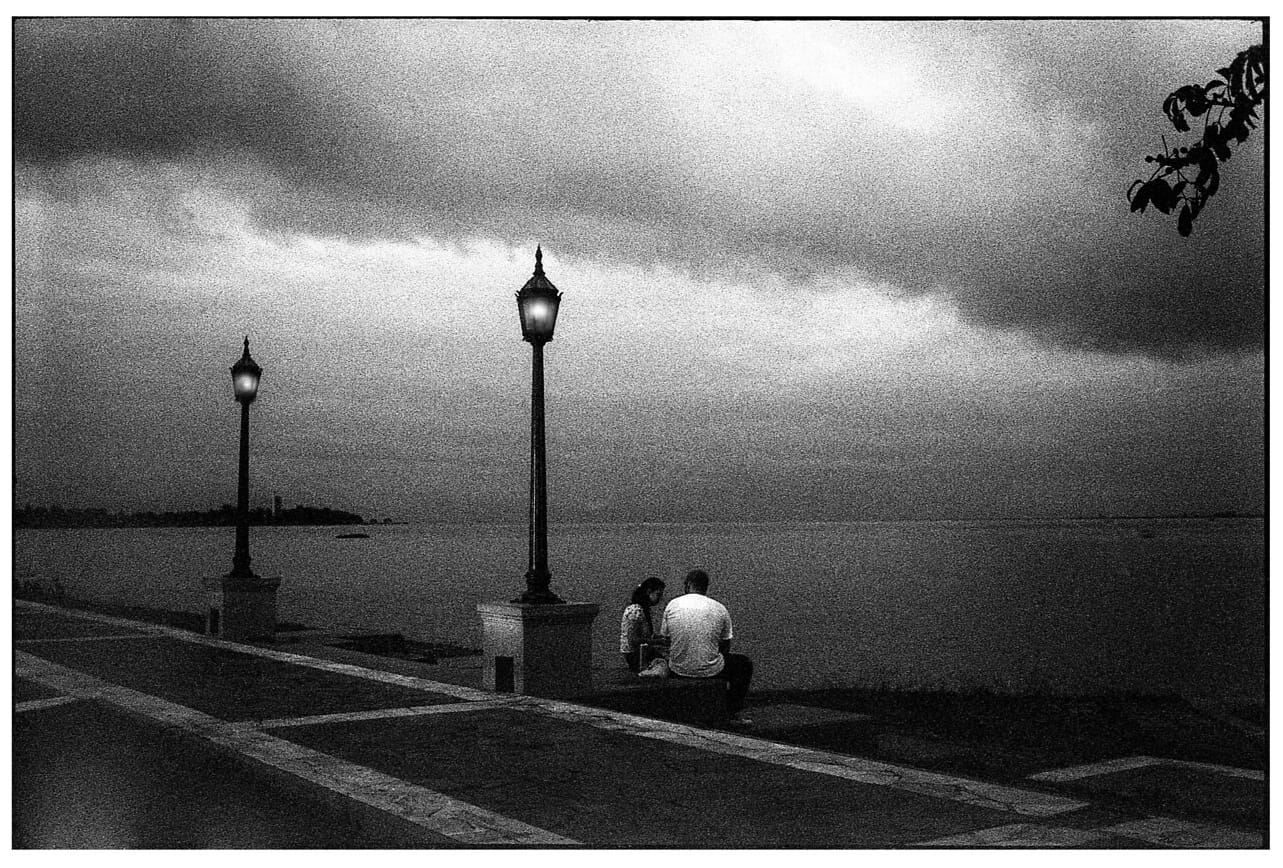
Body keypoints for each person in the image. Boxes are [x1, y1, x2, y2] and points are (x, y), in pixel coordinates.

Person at [660, 569, 753, 723]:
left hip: (678, 668)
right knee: (744, 665)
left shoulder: (672, 605)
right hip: (710, 670)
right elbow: (725, 645)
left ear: (688, 584)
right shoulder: (719, 608)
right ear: (706, 586)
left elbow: (666, 638)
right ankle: (731, 712)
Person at [619, 576, 667, 672]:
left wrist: (659, 638)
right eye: (658, 594)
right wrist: (658, 641)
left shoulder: (641, 609)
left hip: (639, 651)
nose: (660, 599)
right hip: (634, 655)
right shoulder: (635, 611)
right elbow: (634, 640)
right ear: (649, 592)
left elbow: (644, 635)